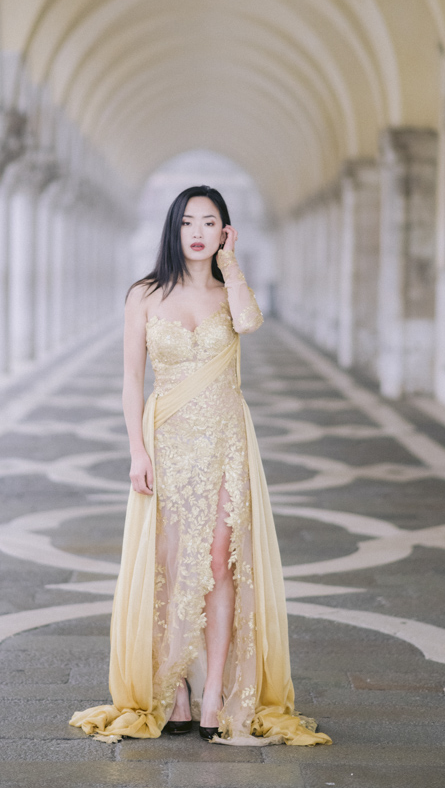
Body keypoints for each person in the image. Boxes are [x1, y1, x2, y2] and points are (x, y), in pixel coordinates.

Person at [69, 186, 331, 746]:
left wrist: (232, 265)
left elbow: (251, 322)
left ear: (224, 232)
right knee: (168, 565)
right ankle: (176, 689)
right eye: (188, 221)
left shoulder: (228, 292)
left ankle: (214, 691)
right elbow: (130, 382)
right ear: (173, 228)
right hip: (166, 440)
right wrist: (136, 451)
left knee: (219, 559)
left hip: (225, 442)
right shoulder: (143, 294)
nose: (197, 231)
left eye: (210, 223)